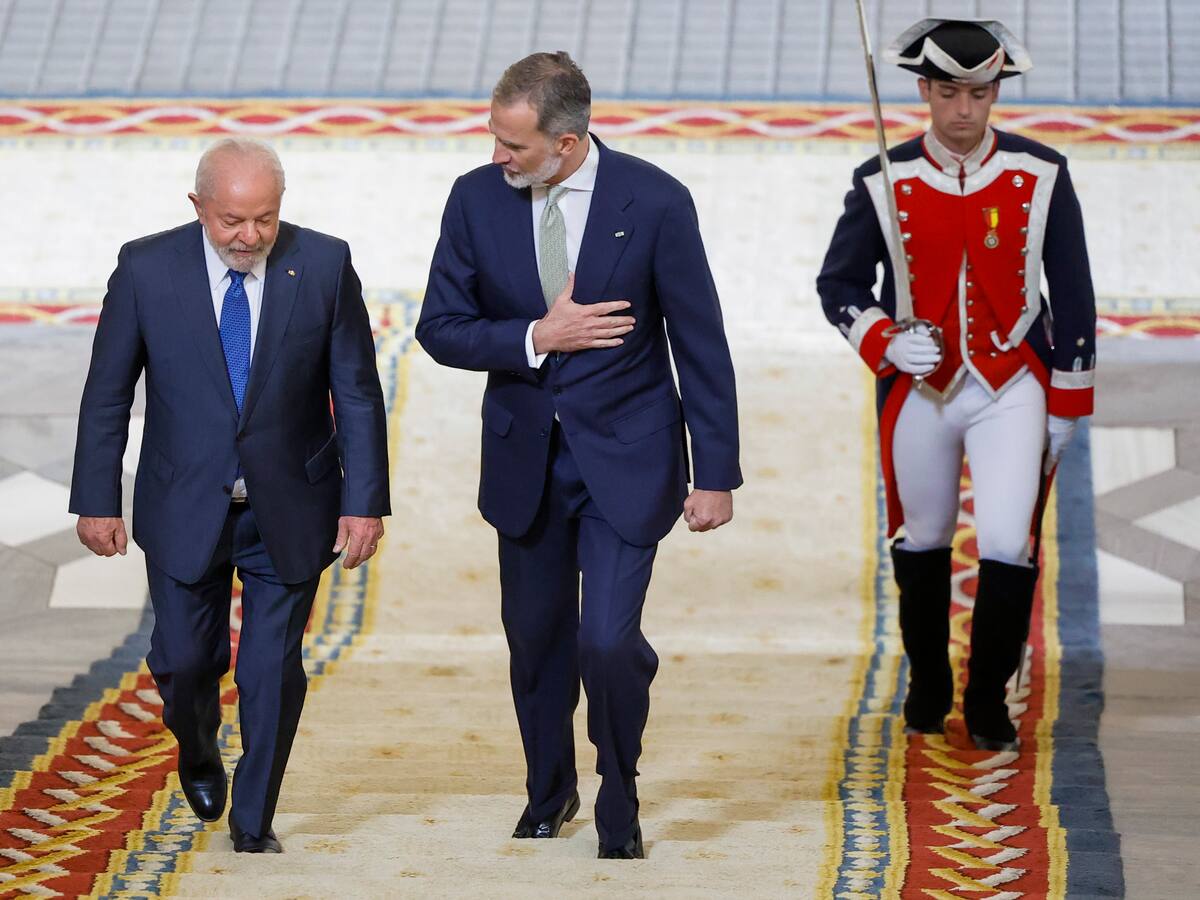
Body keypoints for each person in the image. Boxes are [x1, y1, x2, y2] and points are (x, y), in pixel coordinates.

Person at [416, 51, 741, 858]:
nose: (497, 155)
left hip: (628, 459)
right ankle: (549, 788)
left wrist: (716, 473)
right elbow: (440, 328)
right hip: (525, 461)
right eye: (495, 137)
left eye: (513, 144)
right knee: (536, 642)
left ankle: (619, 789)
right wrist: (536, 336)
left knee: (607, 641)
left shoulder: (656, 200)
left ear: (566, 142)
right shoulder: (474, 198)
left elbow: (700, 340)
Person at [69, 138, 390, 852]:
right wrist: (97, 499)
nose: (250, 236)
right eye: (233, 221)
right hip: (183, 503)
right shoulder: (146, 268)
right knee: (185, 661)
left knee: (270, 669)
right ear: (198, 207)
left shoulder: (325, 263)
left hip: (294, 504)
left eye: (265, 219)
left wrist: (364, 502)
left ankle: (253, 818)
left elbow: (357, 392)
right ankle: (197, 743)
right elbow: (108, 394)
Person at [816, 19, 1095, 751]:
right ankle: (929, 683)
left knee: (1007, 540)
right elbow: (838, 284)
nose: (963, 109)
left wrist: (1068, 400)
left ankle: (988, 697)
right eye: (948, 93)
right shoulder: (882, 178)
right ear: (924, 91)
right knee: (924, 536)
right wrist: (883, 338)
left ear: (997, 91)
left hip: (1013, 382)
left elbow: (1073, 292)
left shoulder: (1042, 173)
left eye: (978, 93)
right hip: (922, 389)